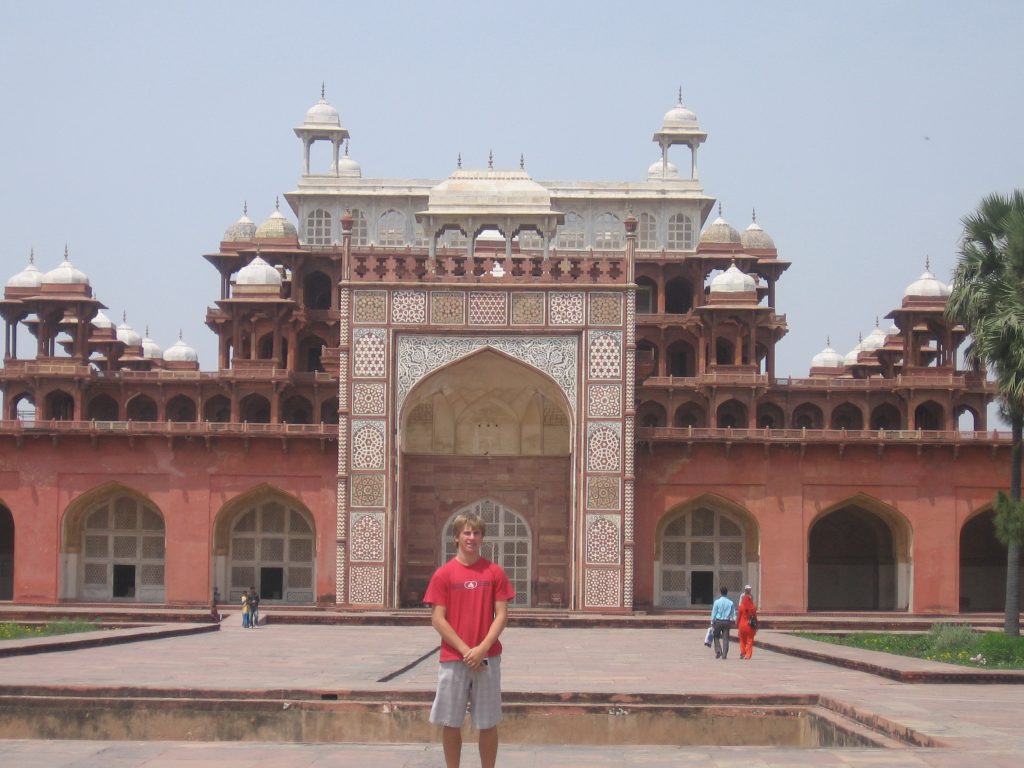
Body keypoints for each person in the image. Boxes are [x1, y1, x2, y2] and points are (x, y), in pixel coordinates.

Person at [424, 512, 515, 768]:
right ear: (456, 537)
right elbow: (438, 619)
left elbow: (502, 614)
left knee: (488, 722)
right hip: (455, 658)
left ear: (482, 537)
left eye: (476, 533)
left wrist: (482, 648)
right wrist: (467, 650)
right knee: (451, 721)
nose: (471, 538)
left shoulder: (494, 572)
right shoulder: (444, 575)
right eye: (466, 533)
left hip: (487, 658)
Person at [710, 586, 736, 659]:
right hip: (727, 621)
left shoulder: (717, 602)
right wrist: (735, 620)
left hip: (718, 621)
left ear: (720, 592)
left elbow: (714, 612)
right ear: (727, 593)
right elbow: (733, 613)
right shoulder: (730, 602)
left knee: (716, 636)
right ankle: (724, 655)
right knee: (726, 638)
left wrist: (712, 621)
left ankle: (718, 650)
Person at [737, 584, 758, 659]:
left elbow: (738, 617)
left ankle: (743, 652)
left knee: (742, 640)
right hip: (750, 626)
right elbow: (755, 617)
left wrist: (737, 623)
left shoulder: (741, 607)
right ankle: (748, 655)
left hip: (742, 625)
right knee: (750, 640)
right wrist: (757, 625)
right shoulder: (753, 608)